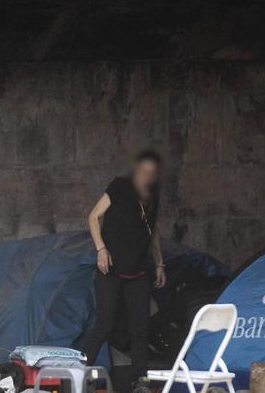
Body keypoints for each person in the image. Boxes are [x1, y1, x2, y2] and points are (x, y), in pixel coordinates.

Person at [81, 150, 166, 390]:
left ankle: (141, 381)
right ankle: (79, 373)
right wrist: (101, 249)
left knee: (140, 328)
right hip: (110, 268)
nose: (146, 176)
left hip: (138, 270)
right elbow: (93, 216)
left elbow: (153, 229)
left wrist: (159, 263)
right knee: (104, 324)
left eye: (152, 173)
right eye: (143, 171)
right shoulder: (119, 186)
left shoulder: (153, 194)